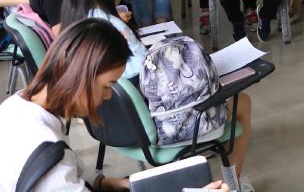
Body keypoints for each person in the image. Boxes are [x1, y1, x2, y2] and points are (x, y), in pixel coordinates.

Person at [59, 0, 255, 181]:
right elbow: (146, 84)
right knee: (242, 101)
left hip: (109, 124)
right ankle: (233, 185)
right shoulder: (109, 27)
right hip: (153, 124)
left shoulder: (77, 13)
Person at [0, 19, 233, 192]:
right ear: (80, 75)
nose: (108, 96)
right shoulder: (49, 157)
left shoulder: (16, 107)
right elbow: (59, 179)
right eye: (107, 85)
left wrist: (105, 184)